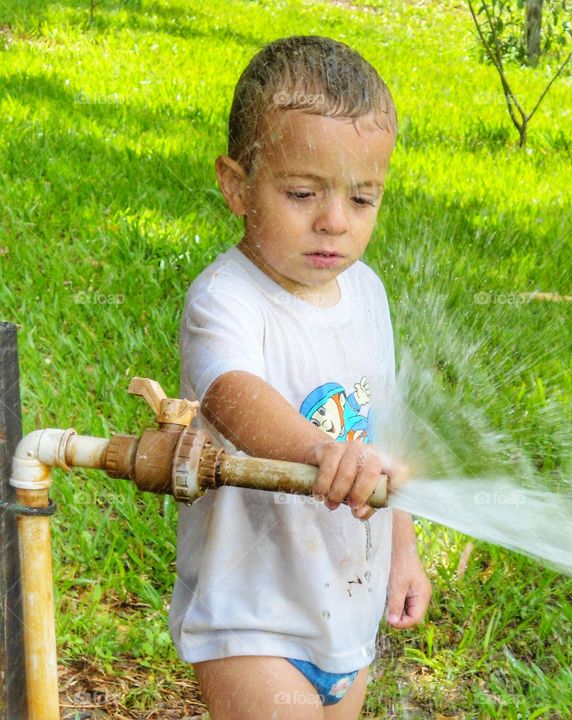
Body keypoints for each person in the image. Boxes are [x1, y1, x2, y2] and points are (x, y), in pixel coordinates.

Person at [168, 35, 431, 720]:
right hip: (251, 612)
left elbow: (384, 431)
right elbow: (231, 394)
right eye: (302, 192)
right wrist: (318, 451)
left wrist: (403, 550)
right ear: (236, 185)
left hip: (347, 610)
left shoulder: (367, 293)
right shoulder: (226, 299)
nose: (334, 222)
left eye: (362, 198)